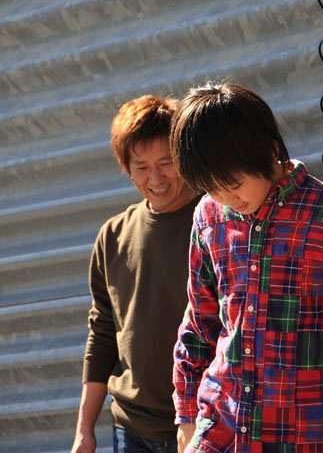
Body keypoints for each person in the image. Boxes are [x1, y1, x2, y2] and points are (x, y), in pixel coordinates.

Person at [168, 82, 323, 453]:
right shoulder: (209, 216)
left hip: (308, 436)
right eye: (211, 188)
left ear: (270, 151)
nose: (227, 199)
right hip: (222, 432)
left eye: (234, 184)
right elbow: (199, 325)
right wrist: (187, 414)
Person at [70, 94, 201, 453]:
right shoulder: (113, 235)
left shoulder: (215, 222)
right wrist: (84, 430)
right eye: (141, 167)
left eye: (166, 162)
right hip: (130, 430)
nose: (155, 178)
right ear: (126, 169)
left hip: (202, 423)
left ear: (184, 157)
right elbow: (102, 334)